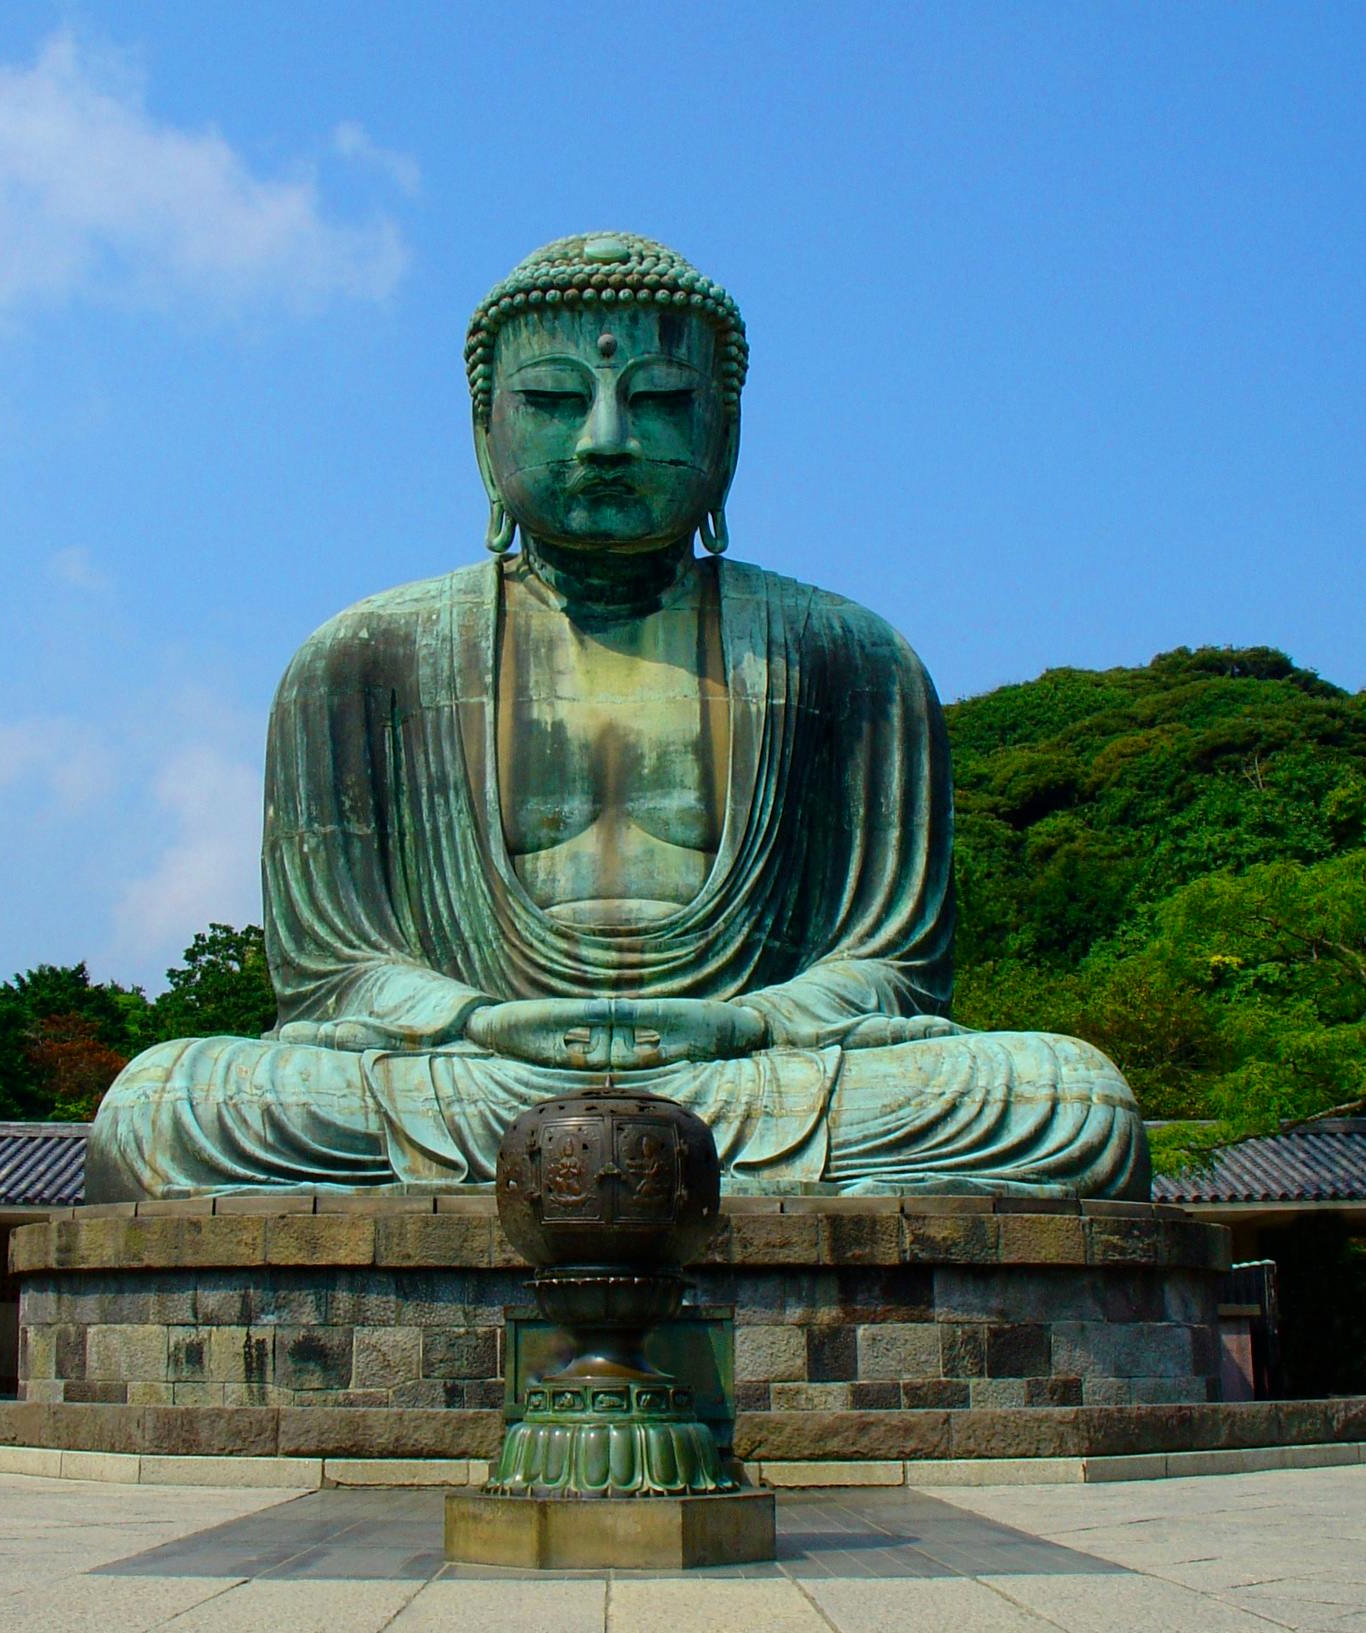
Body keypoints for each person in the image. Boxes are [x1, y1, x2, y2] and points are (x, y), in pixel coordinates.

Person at [86, 233, 1148, 1202]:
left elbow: (891, 968)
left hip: (750, 1077)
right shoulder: (360, 661)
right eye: (552, 400)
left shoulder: (849, 657)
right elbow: (333, 975)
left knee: (1064, 1100)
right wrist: (472, 1020)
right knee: (170, 1104)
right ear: (481, 432)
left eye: (658, 402)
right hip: (470, 1077)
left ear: (724, 435)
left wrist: (750, 1020)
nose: (604, 439)